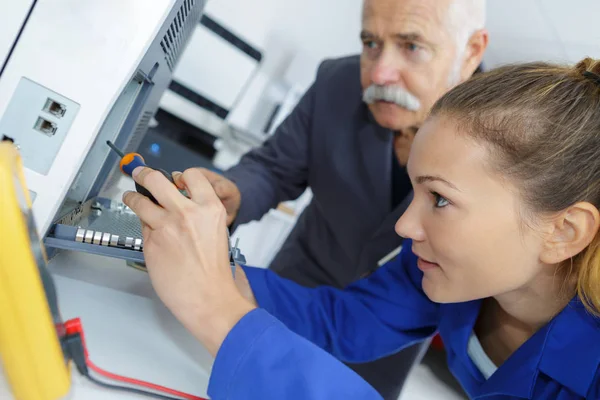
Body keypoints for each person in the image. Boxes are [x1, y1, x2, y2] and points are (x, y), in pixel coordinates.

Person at [125, 58, 600, 399]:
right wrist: (209, 265)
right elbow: (341, 322)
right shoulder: (447, 270)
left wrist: (214, 310)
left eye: (439, 198)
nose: (405, 225)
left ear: (564, 231)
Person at [190, 0, 488, 396]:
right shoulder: (337, 82)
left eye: (411, 46)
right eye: (370, 42)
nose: (380, 73)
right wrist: (235, 194)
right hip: (292, 289)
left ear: (471, 51)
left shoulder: (500, 142)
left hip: (383, 344)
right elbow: (275, 167)